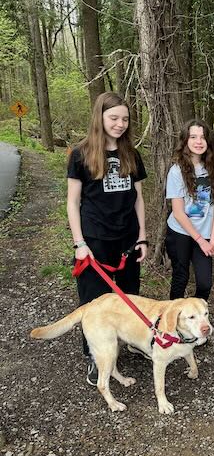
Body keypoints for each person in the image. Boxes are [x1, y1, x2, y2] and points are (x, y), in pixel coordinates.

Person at [67, 91, 147, 386]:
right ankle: (94, 355)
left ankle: (133, 341)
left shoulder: (131, 154)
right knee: (94, 302)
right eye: (114, 118)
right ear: (100, 117)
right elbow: (72, 202)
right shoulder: (81, 154)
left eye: (125, 119)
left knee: (129, 296)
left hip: (127, 240)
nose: (120, 124)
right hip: (94, 241)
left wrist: (142, 237)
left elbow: (138, 198)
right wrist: (80, 244)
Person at [165, 119, 214, 301]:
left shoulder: (213, 168)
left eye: (203, 137)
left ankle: (196, 313)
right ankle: (174, 315)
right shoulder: (176, 171)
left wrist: (212, 238)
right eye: (193, 137)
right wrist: (200, 241)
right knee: (180, 278)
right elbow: (178, 213)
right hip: (180, 232)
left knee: (205, 283)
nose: (198, 141)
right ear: (185, 140)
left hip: (204, 233)